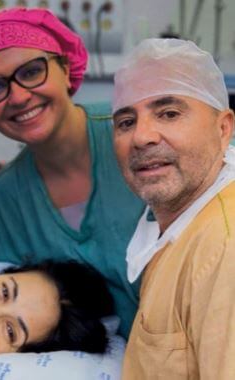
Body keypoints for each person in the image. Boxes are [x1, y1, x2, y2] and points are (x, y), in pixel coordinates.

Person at [0, 7, 144, 339]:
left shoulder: (135, 132)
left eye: (31, 71)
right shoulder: (7, 201)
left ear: (66, 68)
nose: (18, 96)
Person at [111, 38, 235, 379]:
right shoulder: (183, 225)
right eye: (125, 122)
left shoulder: (225, 247)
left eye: (169, 113)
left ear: (223, 129)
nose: (142, 137)